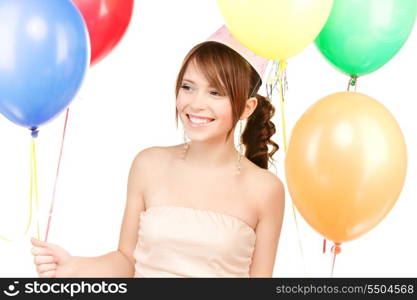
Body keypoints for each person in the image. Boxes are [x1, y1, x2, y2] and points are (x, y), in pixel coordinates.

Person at [31, 26, 285, 278]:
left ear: (247, 108)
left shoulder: (265, 189)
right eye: (188, 87)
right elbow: (126, 260)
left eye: (215, 92)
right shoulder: (149, 164)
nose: (195, 103)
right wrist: (74, 267)